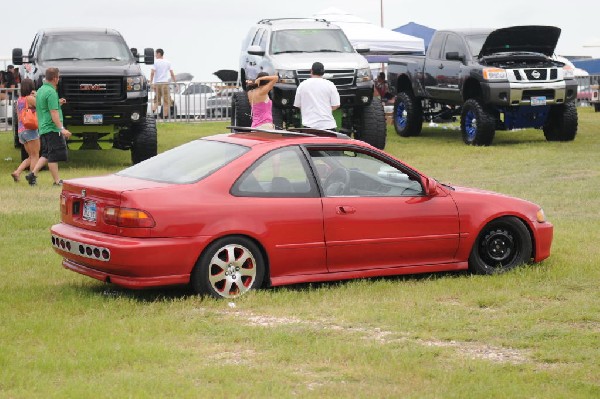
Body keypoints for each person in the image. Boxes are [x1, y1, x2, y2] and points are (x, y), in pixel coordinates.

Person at [25, 67, 72, 186]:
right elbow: (53, 113)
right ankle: (57, 181)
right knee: (54, 155)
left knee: (46, 154)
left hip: (43, 127)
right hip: (52, 128)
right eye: (59, 77)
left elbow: (43, 106)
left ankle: (32, 174)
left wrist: (57, 102)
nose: (59, 80)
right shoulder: (51, 92)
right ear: (55, 78)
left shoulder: (41, 90)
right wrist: (62, 129)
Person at [293, 61, 340, 131]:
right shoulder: (330, 85)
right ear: (323, 72)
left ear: (311, 71)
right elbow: (336, 105)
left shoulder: (302, 85)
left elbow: (298, 104)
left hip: (309, 126)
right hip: (328, 125)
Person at [11, 79, 41, 182]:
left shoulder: (20, 99)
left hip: (21, 130)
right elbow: (42, 107)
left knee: (30, 156)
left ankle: (17, 172)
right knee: (36, 155)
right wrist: (36, 95)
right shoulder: (30, 98)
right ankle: (32, 178)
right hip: (30, 129)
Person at [149, 48, 176, 119]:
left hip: (157, 84)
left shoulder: (155, 62)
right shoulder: (168, 62)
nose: (155, 55)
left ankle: (152, 113)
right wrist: (175, 82)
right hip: (165, 83)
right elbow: (172, 73)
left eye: (155, 53)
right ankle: (165, 117)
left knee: (156, 101)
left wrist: (151, 82)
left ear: (159, 53)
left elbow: (152, 73)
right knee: (166, 102)